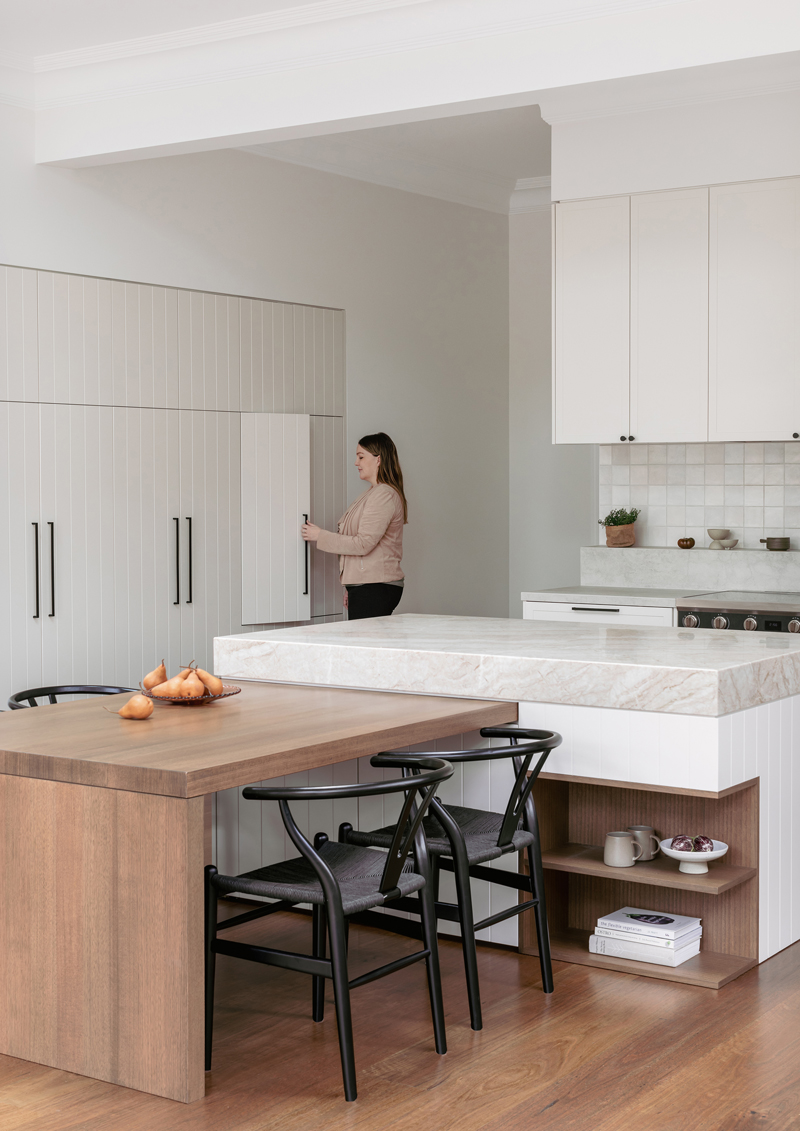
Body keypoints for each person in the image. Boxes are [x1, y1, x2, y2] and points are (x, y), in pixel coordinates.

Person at [301, 432, 407, 620]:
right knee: (365, 645)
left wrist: (320, 535)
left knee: (365, 646)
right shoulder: (373, 493)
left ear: (378, 459)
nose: (356, 463)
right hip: (368, 586)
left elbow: (363, 544)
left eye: (361, 457)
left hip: (376, 586)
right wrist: (352, 584)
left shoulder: (383, 495)